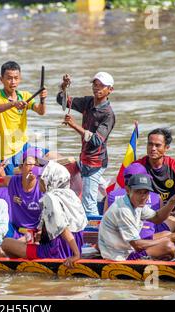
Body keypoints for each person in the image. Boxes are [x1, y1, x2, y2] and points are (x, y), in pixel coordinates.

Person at [2, 161, 88, 267]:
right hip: (73, 246)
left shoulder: (50, 198)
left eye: (42, 178)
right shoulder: (71, 195)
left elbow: (62, 228)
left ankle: (22, 268)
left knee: (6, 243)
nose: (39, 181)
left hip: (56, 251)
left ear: (50, 180)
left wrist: (76, 255)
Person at [57, 72, 116, 216]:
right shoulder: (88, 102)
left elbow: (96, 140)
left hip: (94, 162)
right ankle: (110, 193)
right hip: (85, 158)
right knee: (92, 187)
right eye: (95, 85)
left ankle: (94, 231)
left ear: (110, 90)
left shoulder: (108, 115)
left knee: (88, 204)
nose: (97, 88)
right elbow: (64, 101)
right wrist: (64, 86)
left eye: (102, 86)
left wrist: (74, 125)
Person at [98, 174, 175, 261]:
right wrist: (169, 239)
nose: (143, 197)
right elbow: (137, 245)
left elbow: (158, 218)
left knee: (166, 233)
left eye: (146, 192)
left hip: (127, 246)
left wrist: (172, 201)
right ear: (127, 190)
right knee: (168, 246)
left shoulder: (136, 203)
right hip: (118, 256)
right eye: (138, 192)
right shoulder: (123, 210)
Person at [0, 61, 48, 175]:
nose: (13, 82)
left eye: (16, 78)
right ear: (1, 79)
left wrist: (42, 99)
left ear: (20, 78)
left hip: (24, 146)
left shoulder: (25, 95)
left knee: (51, 158)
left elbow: (41, 111)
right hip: (6, 152)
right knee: (11, 182)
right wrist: (13, 104)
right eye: (9, 78)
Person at [104, 162, 175, 233]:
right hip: (147, 234)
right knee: (173, 221)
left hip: (120, 234)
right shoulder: (156, 197)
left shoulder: (111, 195)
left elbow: (105, 219)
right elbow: (160, 220)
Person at [135, 128, 175, 214]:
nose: (153, 148)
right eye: (150, 144)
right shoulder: (137, 166)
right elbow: (126, 191)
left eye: (157, 145)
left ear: (166, 148)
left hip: (169, 207)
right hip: (145, 208)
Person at [0, 147, 45, 239]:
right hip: (14, 230)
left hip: (36, 234)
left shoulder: (44, 186)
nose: (33, 167)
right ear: (21, 167)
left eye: (37, 165)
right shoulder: (12, 181)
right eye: (29, 164)